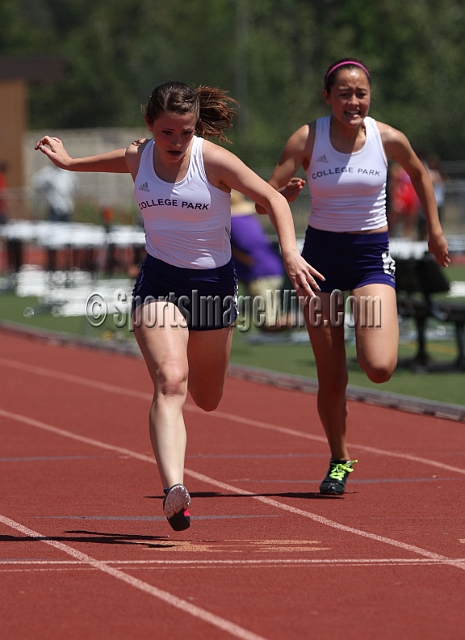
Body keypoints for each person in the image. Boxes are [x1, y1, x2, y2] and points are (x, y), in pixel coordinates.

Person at [36, 81, 322, 531]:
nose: (175, 142)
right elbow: (107, 162)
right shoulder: (138, 156)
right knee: (170, 381)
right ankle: (174, 490)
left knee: (208, 399)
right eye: (167, 132)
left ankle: (179, 464)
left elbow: (268, 198)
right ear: (151, 126)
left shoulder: (212, 160)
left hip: (213, 289)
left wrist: (289, 251)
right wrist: (69, 162)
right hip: (160, 284)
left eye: (185, 132)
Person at [265, 58, 449, 496]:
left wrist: (435, 231)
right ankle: (339, 458)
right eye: (344, 93)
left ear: (370, 96)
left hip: (370, 256)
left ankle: (344, 445)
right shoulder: (308, 138)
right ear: (327, 97)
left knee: (380, 367)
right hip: (321, 260)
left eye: (360, 93)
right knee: (332, 377)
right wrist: (284, 194)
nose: (353, 101)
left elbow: (420, 174)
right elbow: (264, 198)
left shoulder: (387, 138)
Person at [230, 189, 287, 331]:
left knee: (269, 324)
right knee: (266, 322)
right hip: (271, 269)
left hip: (260, 273)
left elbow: (244, 254)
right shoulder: (246, 219)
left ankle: (308, 320)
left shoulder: (229, 222)